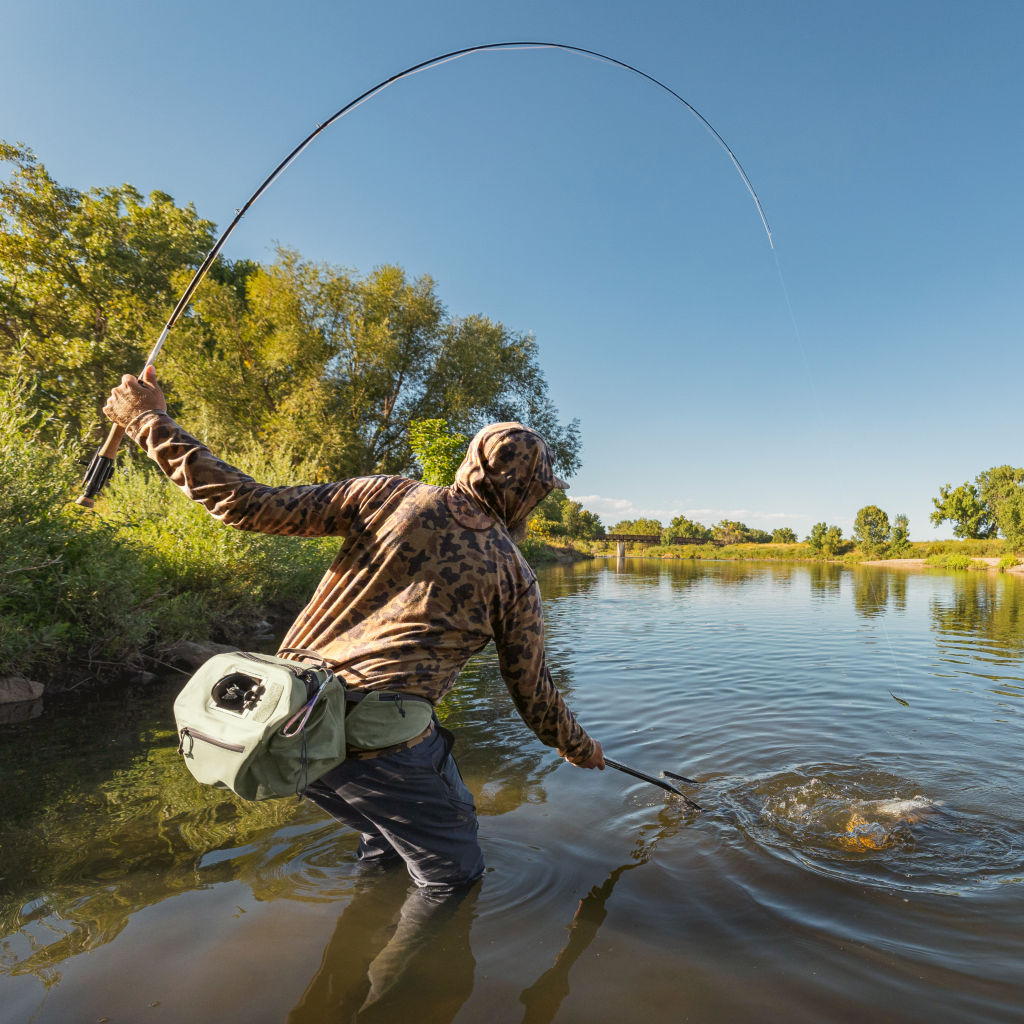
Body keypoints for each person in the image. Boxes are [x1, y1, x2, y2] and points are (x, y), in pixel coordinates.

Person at [103, 367, 604, 897]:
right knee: (452, 878)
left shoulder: (383, 494)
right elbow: (533, 693)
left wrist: (149, 421)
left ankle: (352, 956)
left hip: (297, 726)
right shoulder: (514, 574)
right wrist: (579, 747)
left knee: (385, 840)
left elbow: (244, 503)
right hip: (382, 748)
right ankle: (406, 977)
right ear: (526, 492)